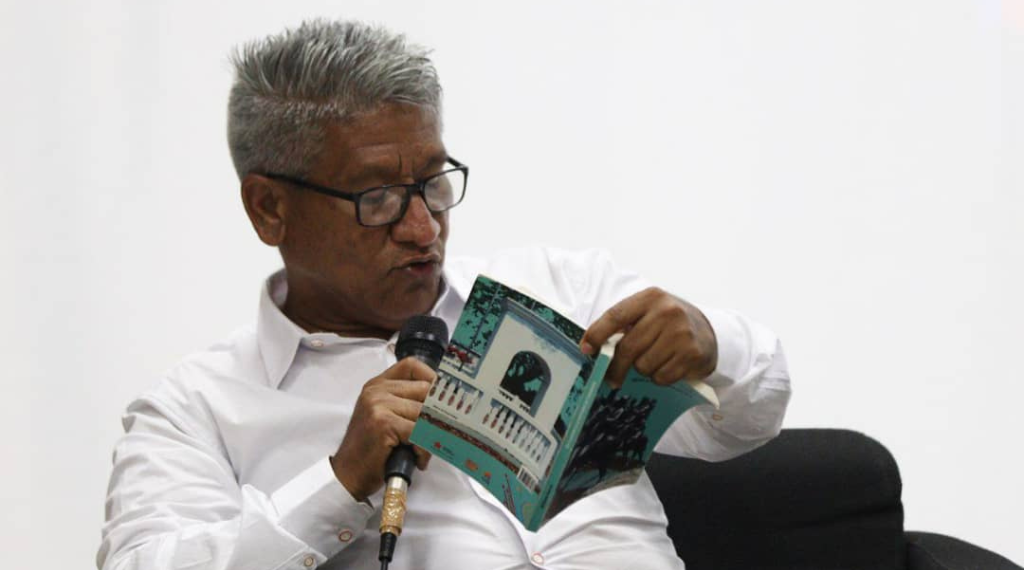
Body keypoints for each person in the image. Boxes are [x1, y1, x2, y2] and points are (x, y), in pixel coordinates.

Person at [97, 19, 791, 570]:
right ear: (269, 209)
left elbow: (746, 421)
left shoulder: (562, 289)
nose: (425, 228)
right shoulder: (197, 410)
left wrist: (712, 343)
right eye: (377, 198)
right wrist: (339, 483)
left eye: (433, 182)